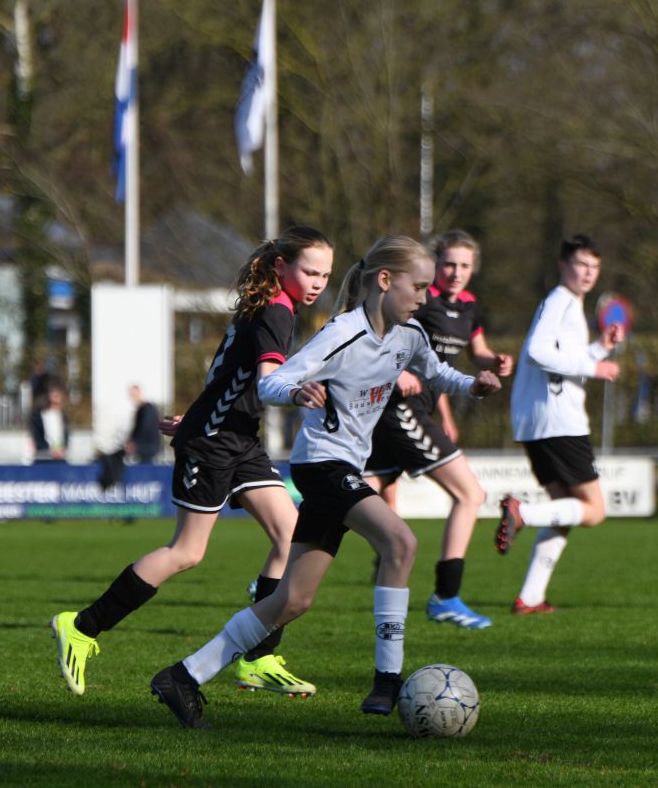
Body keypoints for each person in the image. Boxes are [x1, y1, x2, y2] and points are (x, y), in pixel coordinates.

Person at [147, 235, 501, 729]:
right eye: (418, 287)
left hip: (345, 468)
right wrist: (297, 391)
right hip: (321, 466)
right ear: (385, 281)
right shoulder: (342, 333)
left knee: (292, 600)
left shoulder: (410, 334)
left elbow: (439, 374)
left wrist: (474, 385)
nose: (424, 298)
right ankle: (387, 679)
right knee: (400, 542)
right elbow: (272, 381)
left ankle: (183, 677)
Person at [49, 226, 334, 701]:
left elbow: (226, 373)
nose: (318, 283)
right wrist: (296, 391)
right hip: (214, 443)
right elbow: (268, 380)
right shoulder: (276, 310)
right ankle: (81, 627)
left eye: (325, 275)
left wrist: (201, 412)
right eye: (310, 272)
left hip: (235, 437)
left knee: (291, 536)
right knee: (187, 552)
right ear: (282, 266)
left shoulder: (270, 305)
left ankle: (258, 658)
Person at [363, 230, 514, 630]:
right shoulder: (419, 301)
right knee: (470, 493)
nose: (456, 272)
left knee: (356, 493)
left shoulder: (469, 307)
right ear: (436, 264)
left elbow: (475, 352)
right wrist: (395, 373)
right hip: (401, 408)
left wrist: (495, 362)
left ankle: (281, 568)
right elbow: (381, 339)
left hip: (419, 407)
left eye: (465, 265)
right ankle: (446, 597)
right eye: (449, 264)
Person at [496, 234, 624, 614]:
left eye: (594, 266)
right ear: (563, 265)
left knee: (564, 510)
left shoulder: (565, 304)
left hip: (536, 422)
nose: (588, 273)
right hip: (560, 422)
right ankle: (522, 513)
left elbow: (559, 360)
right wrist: (594, 367)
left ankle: (530, 597)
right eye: (581, 264)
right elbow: (537, 352)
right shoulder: (561, 299)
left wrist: (599, 349)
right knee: (594, 510)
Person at [124, 384, 161, 464]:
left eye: (134, 394)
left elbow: (144, 427)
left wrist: (134, 442)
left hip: (148, 446)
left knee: (145, 466)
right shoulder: (141, 409)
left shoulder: (147, 408)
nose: (133, 397)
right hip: (145, 445)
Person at [30, 386, 68, 460]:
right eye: (55, 396)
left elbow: (66, 437)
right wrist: (50, 450)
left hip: (61, 457)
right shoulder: (41, 416)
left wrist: (62, 450)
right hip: (45, 458)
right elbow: (37, 437)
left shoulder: (63, 417)